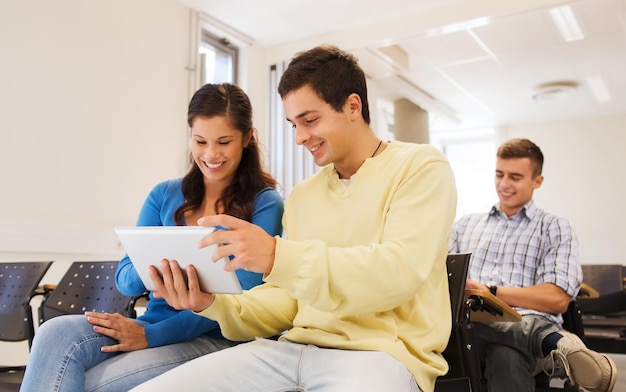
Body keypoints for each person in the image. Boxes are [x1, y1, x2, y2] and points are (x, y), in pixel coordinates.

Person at [129, 44, 457, 392]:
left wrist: (276, 256)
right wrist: (211, 304)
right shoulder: (304, 195)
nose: (300, 137)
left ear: (352, 106)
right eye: (293, 124)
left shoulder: (421, 167)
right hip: (290, 350)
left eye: (310, 120)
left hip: (380, 356)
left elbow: (397, 272)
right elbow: (286, 302)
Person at [20, 83, 284, 392]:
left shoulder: (266, 204)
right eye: (200, 141)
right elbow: (124, 278)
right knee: (55, 334)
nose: (211, 154)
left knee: (90, 385)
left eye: (224, 142)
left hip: (217, 337)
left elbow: (242, 300)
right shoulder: (163, 195)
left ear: (247, 138)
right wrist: (158, 268)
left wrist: (150, 337)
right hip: (151, 322)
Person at [448, 138, 616, 392]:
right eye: (499, 174)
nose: (504, 184)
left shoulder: (554, 227)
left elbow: (557, 298)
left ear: (537, 181)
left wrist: (490, 294)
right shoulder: (465, 225)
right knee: (469, 325)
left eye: (515, 177)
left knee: (506, 354)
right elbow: (444, 279)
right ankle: (555, 343)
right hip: (464, 330)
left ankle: (547, 340)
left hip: (521, 331)